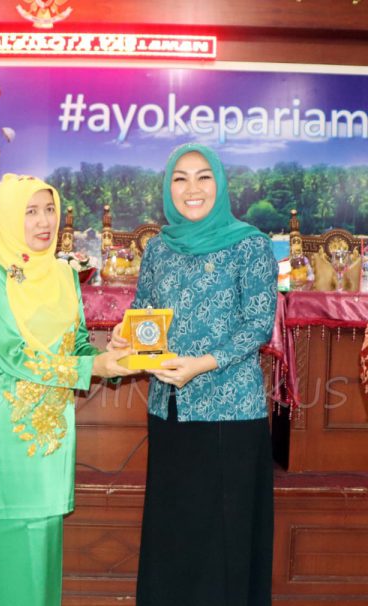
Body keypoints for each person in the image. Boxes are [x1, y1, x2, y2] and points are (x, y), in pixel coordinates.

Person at [111, 143, 278, 606]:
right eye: (180, 178)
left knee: (224, 539)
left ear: (219, 184)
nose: (192, 188)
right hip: (169, 410)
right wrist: (124, 339)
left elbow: (258, 325)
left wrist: (200, 365)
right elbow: (144, 311)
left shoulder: (250, 245)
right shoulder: (159, 248)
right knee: (174, 532)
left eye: (203, 177)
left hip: (229, 412)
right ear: (168, 187)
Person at [0, 174, 134, 606]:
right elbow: (12, 356)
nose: (44, 221)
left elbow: (75, 344)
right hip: (1, 430)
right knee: (3, 551)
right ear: (6, 218)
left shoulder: (63, 274)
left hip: (49, 436)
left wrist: (112, 357)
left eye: (50, 209)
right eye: (30, 211)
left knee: (42, 552)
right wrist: (92, 367)